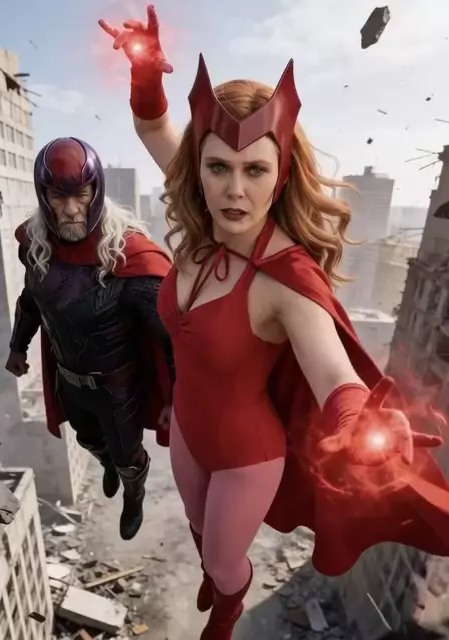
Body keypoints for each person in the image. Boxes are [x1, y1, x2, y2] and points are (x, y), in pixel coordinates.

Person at [100, 7, 449, 639]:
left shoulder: (286, 279)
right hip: (187, 432)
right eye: (218, 167)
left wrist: (359, 423)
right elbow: (152, 123)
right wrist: (144, 71)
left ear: (280, 173)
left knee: (223, 559)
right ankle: (216, 574)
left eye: (255, 170)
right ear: (199, 169)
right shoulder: (204, 218)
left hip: (246, 455)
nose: (235, 189)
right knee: (200, 529)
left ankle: (228, 604)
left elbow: (334, 374)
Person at [5, 136, 174, 541]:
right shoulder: (35, 245)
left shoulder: (129, 255)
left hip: (119, 387)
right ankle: (108, 465)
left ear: (95, 192)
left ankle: (134, 495)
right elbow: (31, 301)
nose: (70, 209)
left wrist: (176, 397)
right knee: (88, 440)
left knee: (128, 458)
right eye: (57, 196)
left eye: (80, 195)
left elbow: (171, 336)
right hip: (69, 380)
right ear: (43, 196)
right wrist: (17, 346)